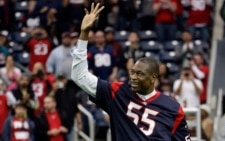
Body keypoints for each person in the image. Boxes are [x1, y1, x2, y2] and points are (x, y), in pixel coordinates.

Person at [71, 3, 190, 140]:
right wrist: (84, 34)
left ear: (153, 78)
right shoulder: (118, 92)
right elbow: (79, 76)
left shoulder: (173, 108)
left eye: (139, 74)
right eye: (132, 72)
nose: (133, 77)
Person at [49, 74, 82, 141]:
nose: (61, 81)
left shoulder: (71, 91)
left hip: (69, 123)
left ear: (66, 80)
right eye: (59, 79)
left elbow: (76, 109)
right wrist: (54, 90)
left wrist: (79, 123)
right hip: (56, 123)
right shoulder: (54, 91)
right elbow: (48, 101)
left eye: (63, 79)